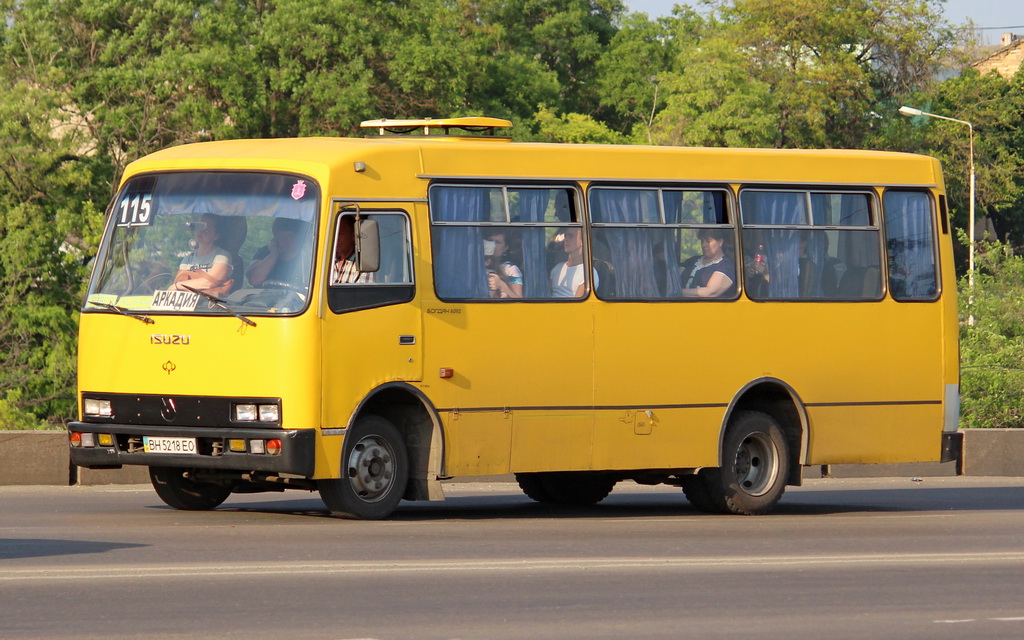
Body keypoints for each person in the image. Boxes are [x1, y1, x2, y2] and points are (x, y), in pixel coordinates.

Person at [171, 214, 233, 294]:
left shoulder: (222, 256)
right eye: (199, 227)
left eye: (206, 230)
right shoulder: (187, 259)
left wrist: (177, 285)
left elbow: (209, 283)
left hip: (210, 304)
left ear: (216, 235)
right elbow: (179, 282)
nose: (200, 232)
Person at [246, 218, 309, 288]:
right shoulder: (265, 252)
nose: (284, 241)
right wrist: (273, 254)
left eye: (289, 237)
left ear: (300, 238)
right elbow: (254, 280)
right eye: (280, 237)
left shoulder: (309, 258)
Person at [681, 228, 735, 297]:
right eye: (702, 241)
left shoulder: (727, 267)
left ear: (720, 242)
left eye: (708, 241)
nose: (703, 245)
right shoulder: (693, 260)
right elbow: (675, 275)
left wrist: (677, 292)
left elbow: (710, 292)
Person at [549, 226, 597, 298]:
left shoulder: (588, 273)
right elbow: (546, 295)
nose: (566, 239)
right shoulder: (557, 268)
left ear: (583, 241)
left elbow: (579, 305)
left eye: (570, 236)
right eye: (565, 236)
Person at [331, 216, 372, 284]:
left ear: (353, 236)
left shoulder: (362, 266)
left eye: (340, 234)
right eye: (334, 233)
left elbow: (360, 293)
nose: (336, 238)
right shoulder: (329, 261)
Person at [485, 231, 523, 298]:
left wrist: (501, 285)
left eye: (498, 242)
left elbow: (519, 302)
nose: (493, 245)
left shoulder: (510, 269)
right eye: (490, 241)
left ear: (505, 248)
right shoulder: (477, 265)